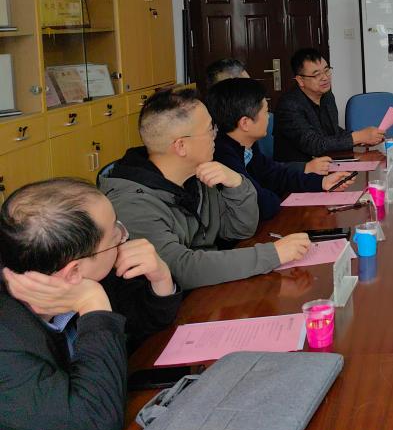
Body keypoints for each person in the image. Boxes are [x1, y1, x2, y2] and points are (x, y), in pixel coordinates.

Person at [0, 178, 182, 430]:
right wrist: (92, 303)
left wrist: (160, 277)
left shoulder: (75, 265)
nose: (123, 235)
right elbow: (96, 416)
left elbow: (144, 325)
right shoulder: (6, 341)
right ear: (74, 271)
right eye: (114, 235)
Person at [100, 88, 311, 290]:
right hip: (175, 307)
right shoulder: (132, 203)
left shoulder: (196, 177)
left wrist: (237, 184)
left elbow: (239, 229)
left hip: (208, 292)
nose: (215, 136)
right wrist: (273, 254)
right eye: (210, 129)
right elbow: (181, 269)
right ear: (181, 146)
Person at [206, 77, 356, 222]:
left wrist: (322, 182)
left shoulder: (246, 145)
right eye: (265, 112)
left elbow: (276, 175)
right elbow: (263, 204)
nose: (269, 117)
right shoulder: (223, 155)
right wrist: (274, 197)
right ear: (245, 123)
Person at [273, 47, 385, 162]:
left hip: (328, 162)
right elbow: (314, 144)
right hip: (300, 168)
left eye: (326, 70)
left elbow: (333, 132)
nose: (325, 78)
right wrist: (357, 137)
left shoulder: (327, 96)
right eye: (317, 74)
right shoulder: (288, 106)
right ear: (300, 80)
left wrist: (362, 140)